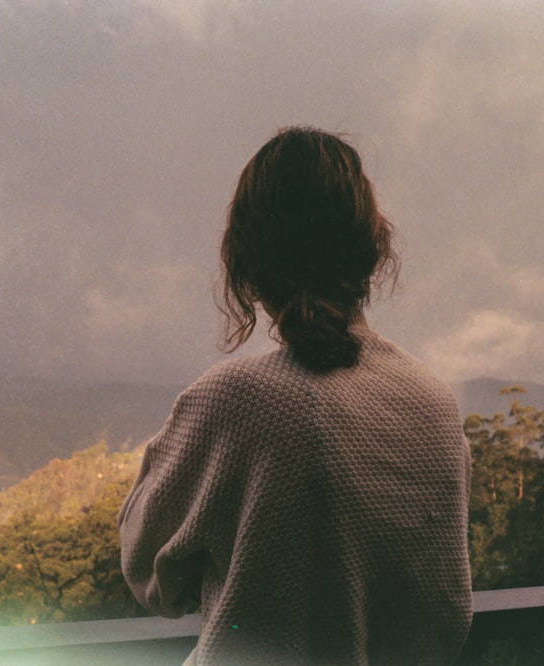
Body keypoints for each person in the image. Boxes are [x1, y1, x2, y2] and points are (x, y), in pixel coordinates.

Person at [118, 127, 472, 665]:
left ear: (247, 258)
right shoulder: (435, 404)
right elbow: (446, 607)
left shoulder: (235, 401)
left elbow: (150, 574)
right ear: (372, 248)